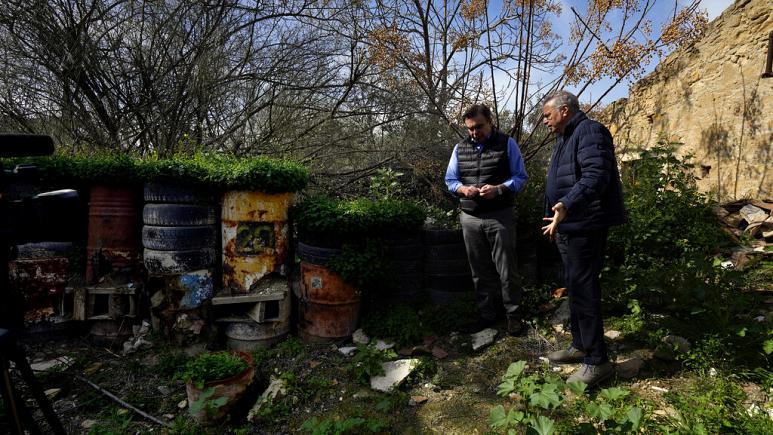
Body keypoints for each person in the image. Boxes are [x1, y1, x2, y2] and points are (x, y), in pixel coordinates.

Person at [541, 90, 625, 387]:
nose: (545, 122)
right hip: (568, 226)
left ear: (564, 111)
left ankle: (597, 361)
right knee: (575, 288)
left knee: (585, 291)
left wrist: (566, 205)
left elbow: (595, 176)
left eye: (547, 115)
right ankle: (580, 345)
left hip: (585, 225)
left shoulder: (590, 131)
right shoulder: (565, 138)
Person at [445, 104, 528, 335]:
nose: (474, 132)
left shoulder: (507, 143)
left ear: (490, 121)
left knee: (506, 268)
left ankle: (513, 315)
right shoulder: (459, 149)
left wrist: (500, 189)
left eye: (478, 126)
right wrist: (463, 189)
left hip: (500, 215)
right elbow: (450, 180)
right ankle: (487, 315)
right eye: (470, 128)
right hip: (470, 217)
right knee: (478, 269)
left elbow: (521, 178)